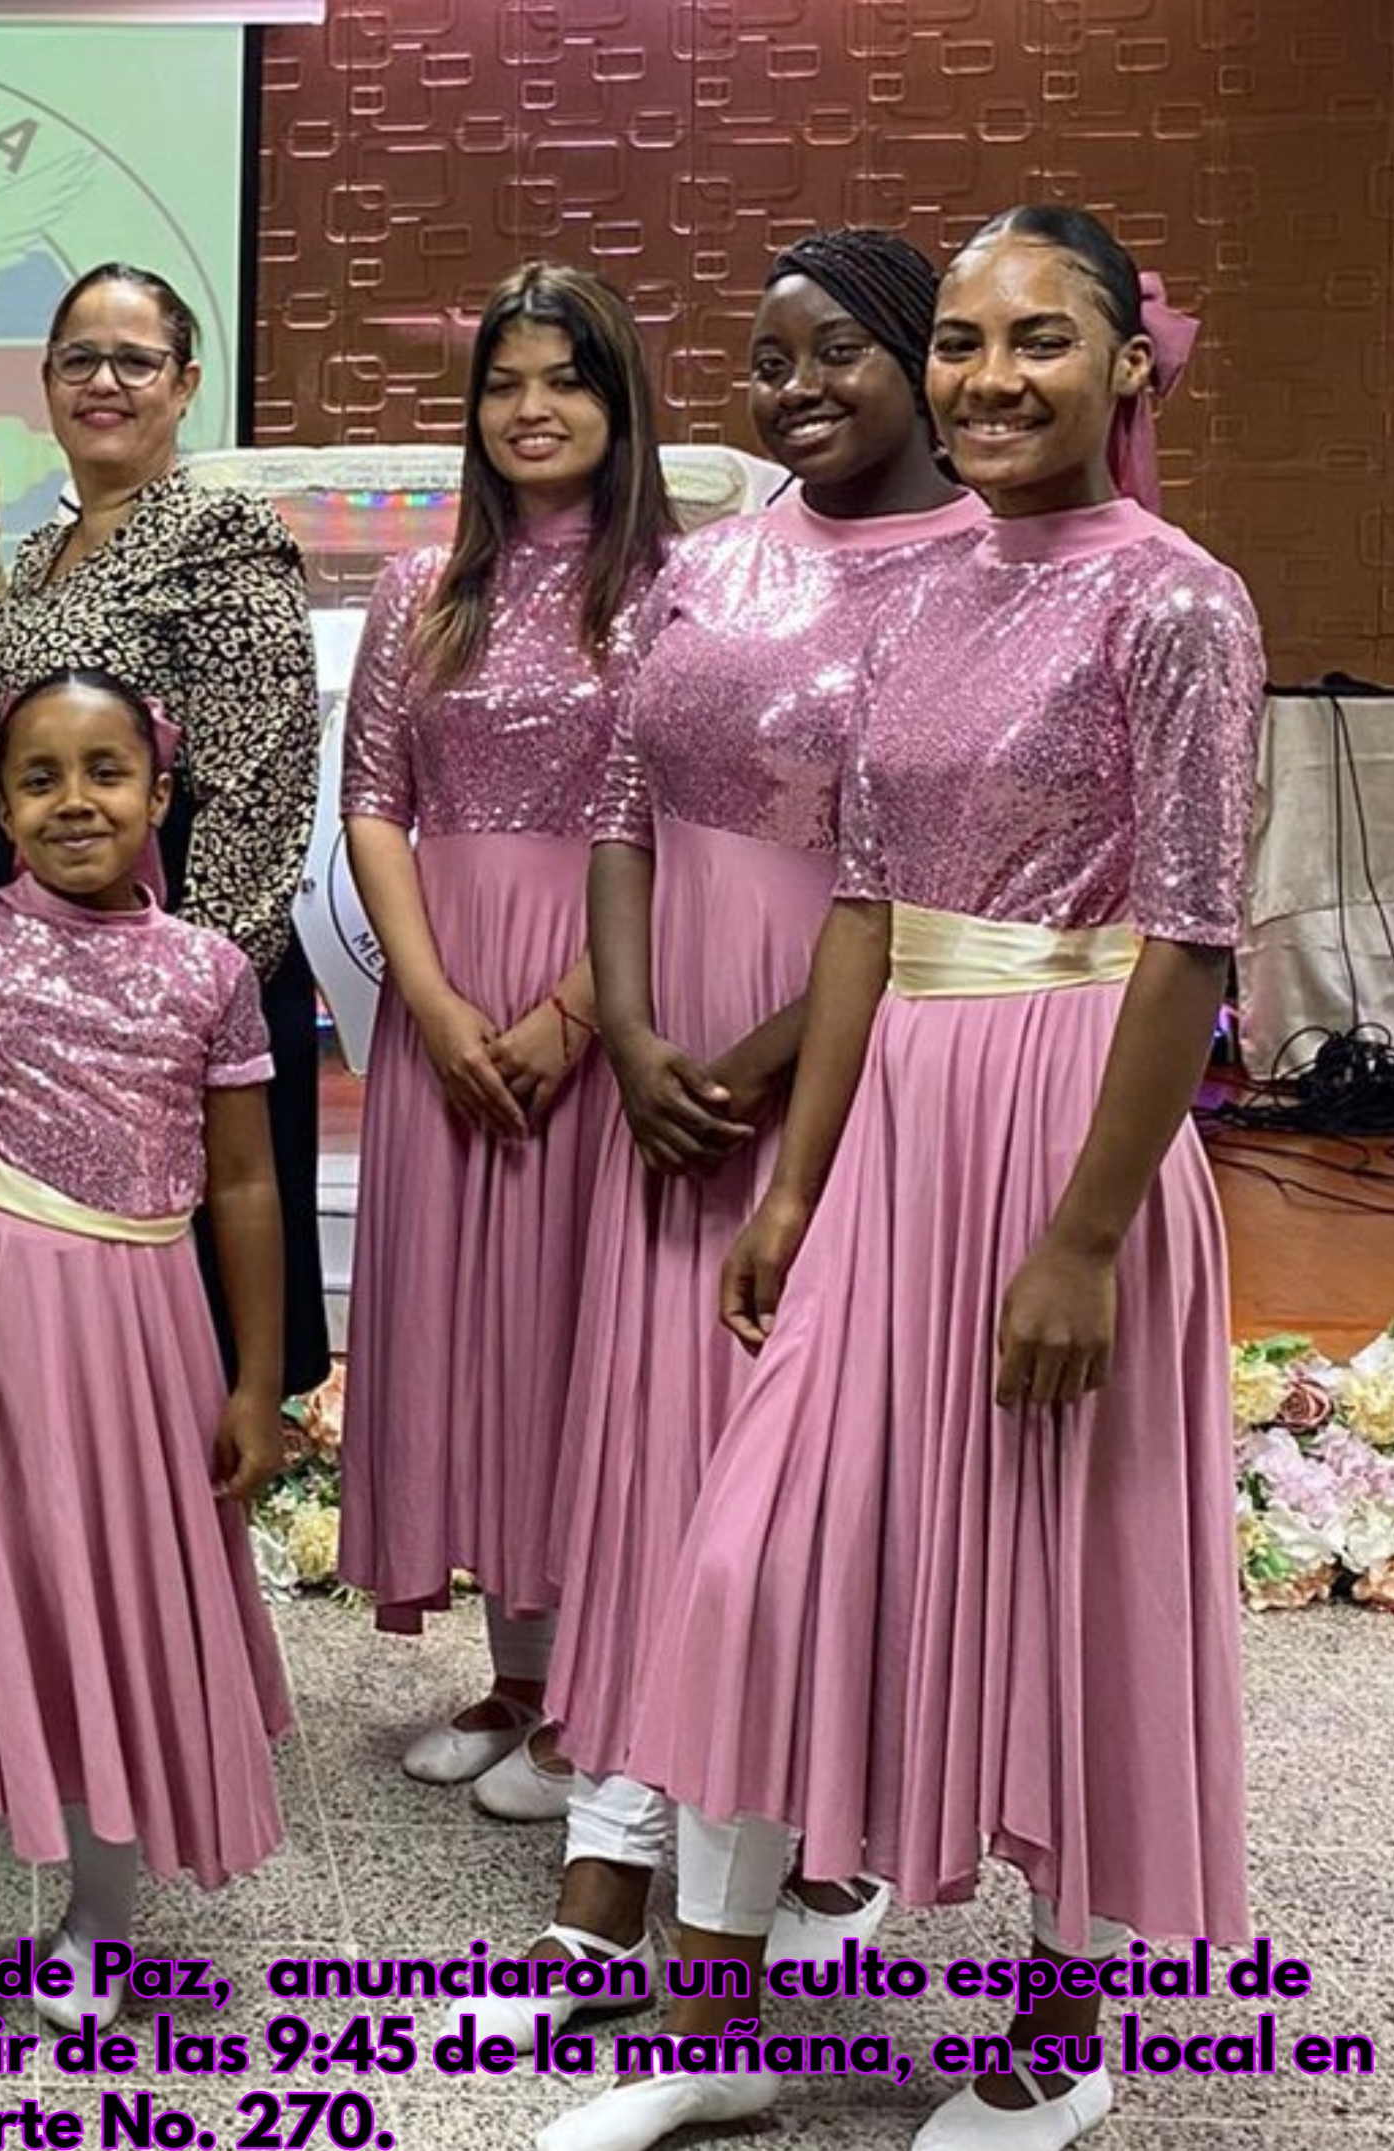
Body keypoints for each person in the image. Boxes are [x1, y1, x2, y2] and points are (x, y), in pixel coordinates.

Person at [546, 207, 1257, 2151]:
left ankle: (1064, 2019)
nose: (992, 378)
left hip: (1074, 1110)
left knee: (1072, 1582)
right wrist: (793, 1191)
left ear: (1130, 367)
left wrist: (1091, 1234)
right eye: (962, 340)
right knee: (752, 1560)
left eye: (1043, 339)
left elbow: (1193, 938)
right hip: (895, 1123)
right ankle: (721, 2019)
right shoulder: (926, 594)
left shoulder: (1179, 599)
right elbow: (864, 901)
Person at [448, 230, 987, 2050]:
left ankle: (783, 1849)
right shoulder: (716, 556)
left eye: (834, 353)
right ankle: (616, 1827)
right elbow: (618, 801)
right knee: (644, 1442)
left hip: (833, 1051)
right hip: (656, 1043)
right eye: (764, 362)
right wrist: (626, 1029)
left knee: (781, 1464)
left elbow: (915, 876)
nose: (794, 390)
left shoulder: (975, 575)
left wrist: (747, 1066)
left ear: (919, 361)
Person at [0, 670, 292, 2037]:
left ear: (158, 793)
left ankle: (101, 1915)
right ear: (0, 805)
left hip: (148, 1331)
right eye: (40, 776)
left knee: (121, 1607)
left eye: (105, 770)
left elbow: (241, 1183)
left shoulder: (212, 970)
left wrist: (251, 1375)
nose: (75, 800)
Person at [332, 262, 674, 1806]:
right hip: (445, 997)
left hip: (603, 999)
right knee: (460, 1331)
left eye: (568, 381)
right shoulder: (422, 588)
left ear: (622, 403)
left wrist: (571, 1013)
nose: (532, 411)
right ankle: (517, 1669)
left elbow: (690, 817)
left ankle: (597, 1698)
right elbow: (375, 802)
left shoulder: (684, 585)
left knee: (572, 1339)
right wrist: (437, 1001)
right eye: (505, 382)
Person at [0, 261, 329, 1403]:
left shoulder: (222, 540)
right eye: (78, 359)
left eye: (135, 360)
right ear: (46, 382)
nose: (103, 382)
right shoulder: (35, 556)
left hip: (166, 1015)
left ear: (186, 383)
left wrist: (176, 1030)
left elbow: (259, 794)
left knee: (166, 1356)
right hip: (30, 995)